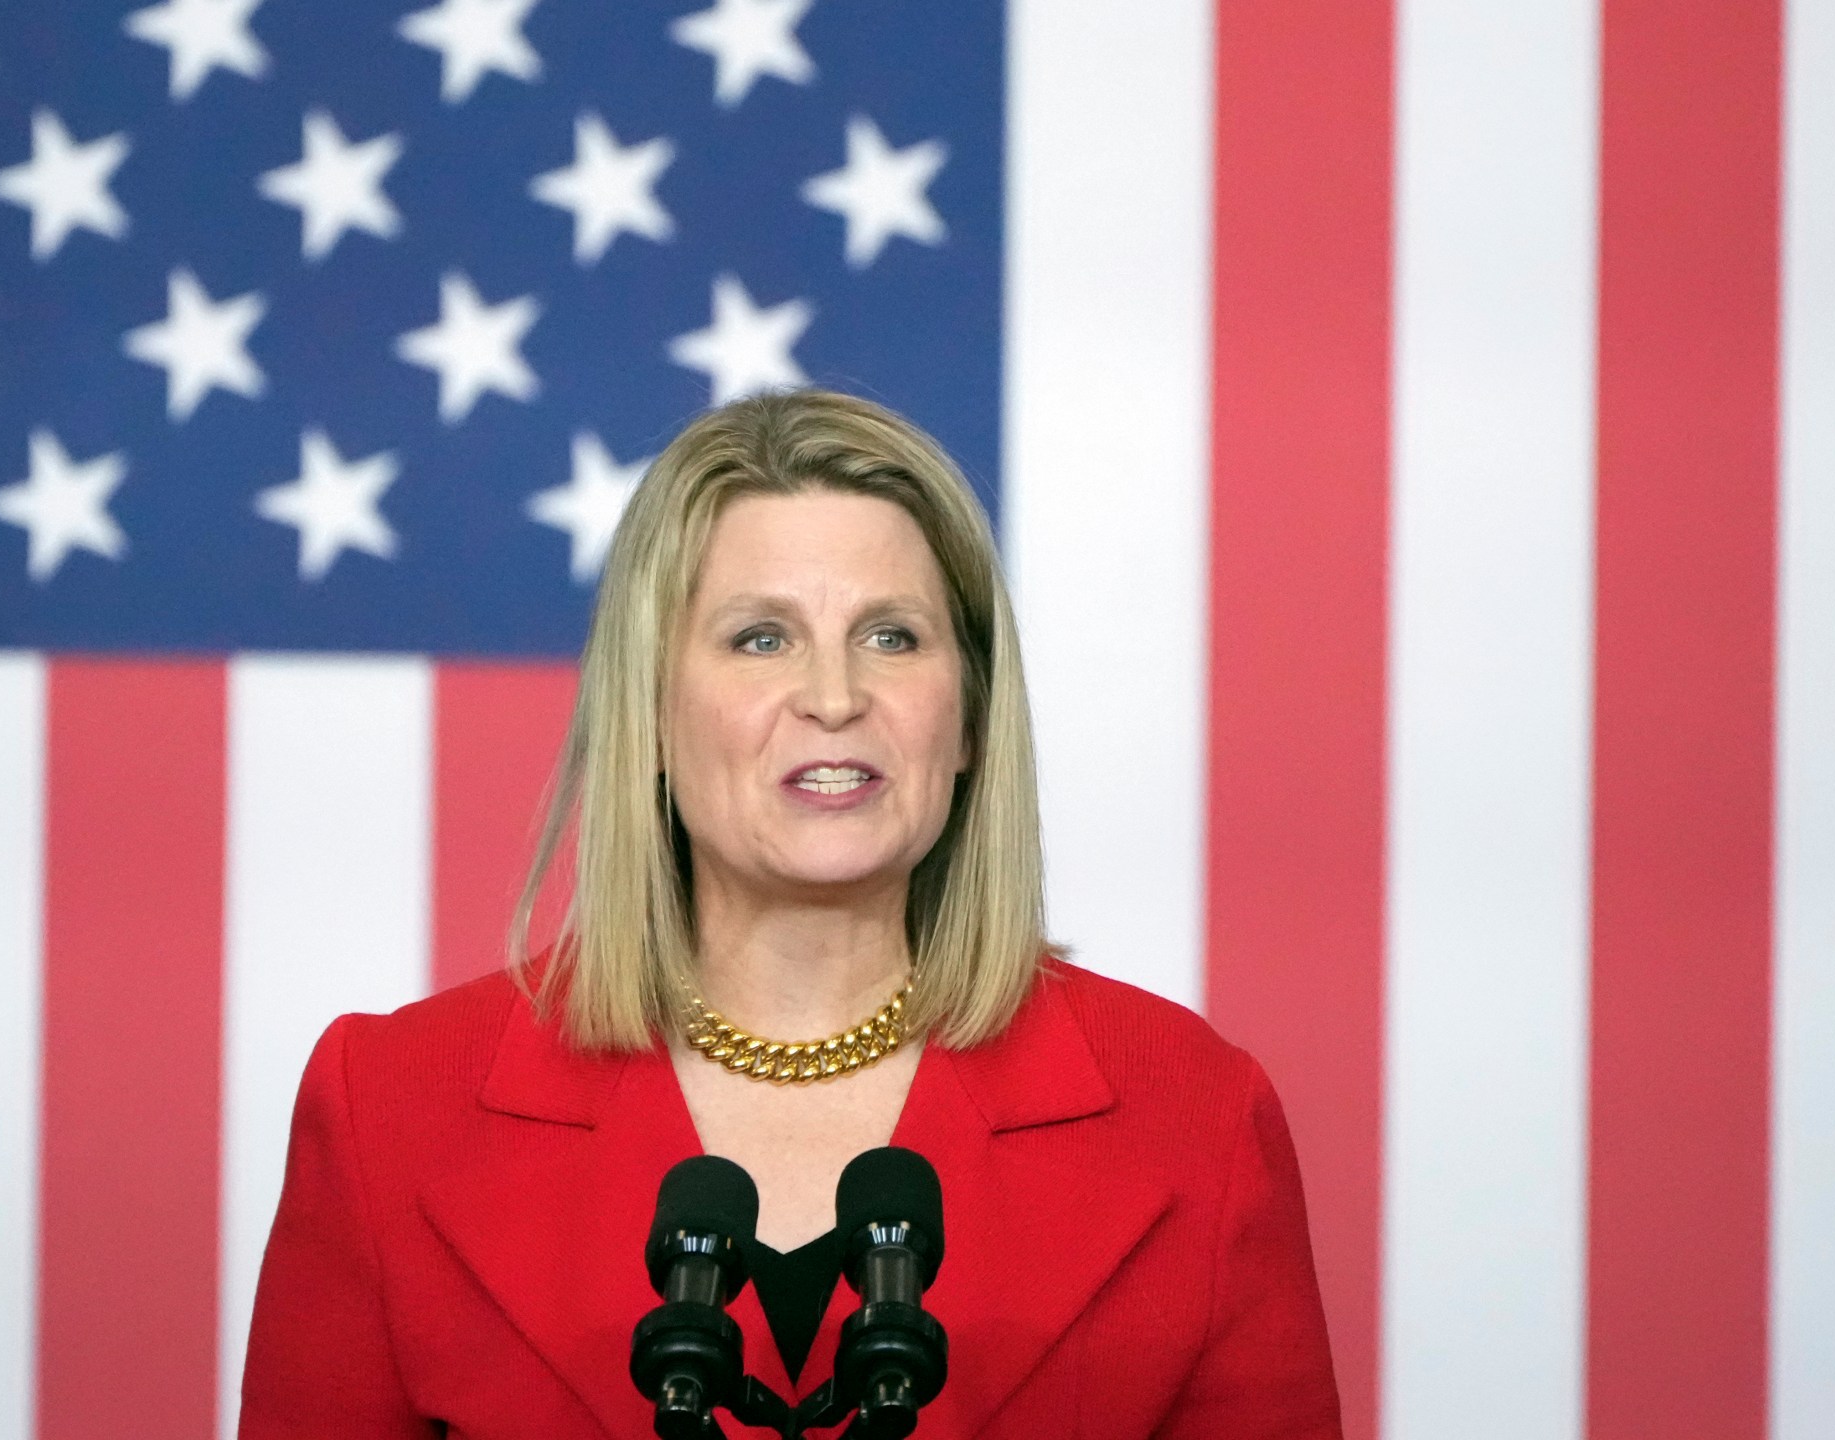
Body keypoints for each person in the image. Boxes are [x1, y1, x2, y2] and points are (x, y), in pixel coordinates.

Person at [237, 390, 1344, 1438]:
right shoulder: (390, 1112)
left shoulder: (1193, 1116)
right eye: (760, 638)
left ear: (967, 722)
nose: (833, 696)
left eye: (893, 636)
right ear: (652, 718)